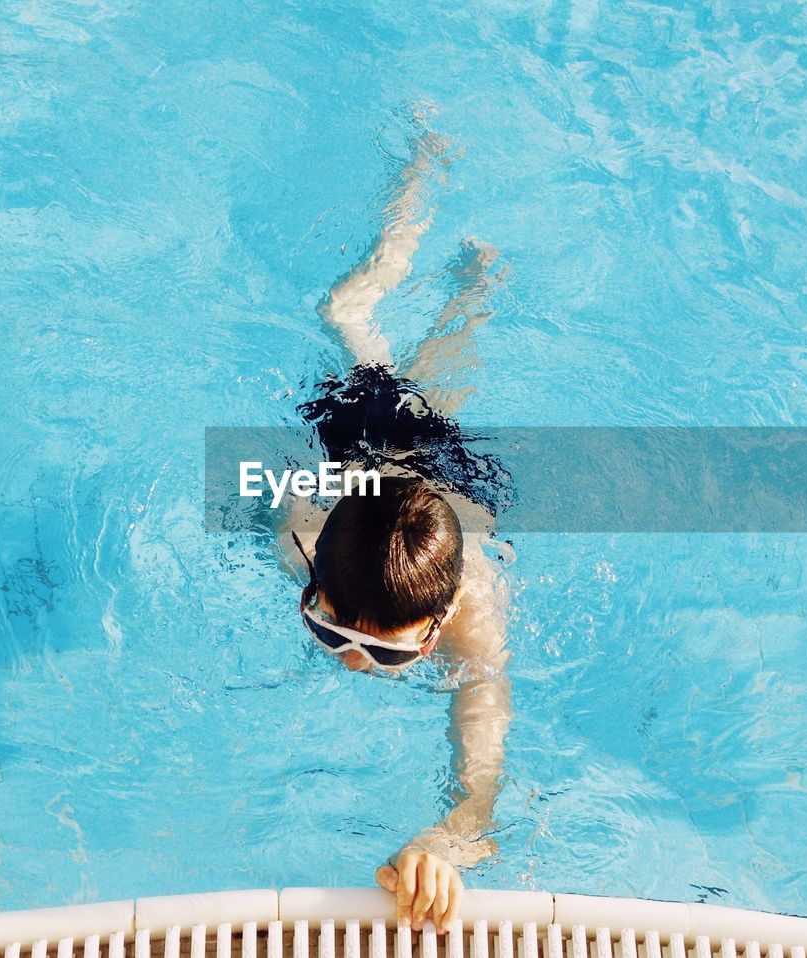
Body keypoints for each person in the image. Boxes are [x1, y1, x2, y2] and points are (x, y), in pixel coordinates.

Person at [279, 128, 512, 936]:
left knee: (443, 367)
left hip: (444, 483)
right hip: (358, 454)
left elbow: (481, 769)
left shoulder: (472, 607)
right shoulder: (302, 529)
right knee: (343, 309)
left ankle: (475, 286)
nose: (355, 662)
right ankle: (417, 177)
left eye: (386, 652)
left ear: (438, 627)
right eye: (331, 630)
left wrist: (448, 843)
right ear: (309, 584)